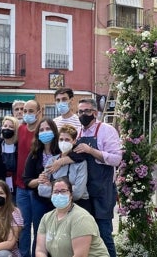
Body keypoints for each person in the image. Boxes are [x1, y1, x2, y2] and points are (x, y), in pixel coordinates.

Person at [49, 99, 122, 257]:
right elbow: (76, 157)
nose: (83, 114)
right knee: (84, 236)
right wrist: (60, 161)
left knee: (104, 234)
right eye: (80, 111)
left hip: (103, 191)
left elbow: (117, 159)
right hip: (84, 193)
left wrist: (91, 151)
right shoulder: (78, 133)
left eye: (87, 111)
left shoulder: (107, 130)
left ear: (95, 113)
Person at [35, 177, 109, 257]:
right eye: (55, 192)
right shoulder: (46, 218)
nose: (59, 194)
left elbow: (80, 255)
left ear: (71, 195)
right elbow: (40, 250)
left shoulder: (81, 218)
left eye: (63, 191)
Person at [22, 118, 60, 257]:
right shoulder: (34, 154)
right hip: (39, 200)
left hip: (60, 198)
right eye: (42, 130)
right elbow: (26, 180)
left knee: (59, 235)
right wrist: (38, 180)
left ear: (55, 131)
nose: (45, 132)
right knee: (40, 234)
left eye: (48, 129)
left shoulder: (62, 151)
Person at [38, 124, 89, 211]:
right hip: (55, 207)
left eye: (67, 140)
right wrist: (69, 188)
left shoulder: (80, 163)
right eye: (61, 139)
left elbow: (78, 193)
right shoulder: (51, 161)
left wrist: (52, 186)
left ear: (74, 141)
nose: (63, 142)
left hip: (79, 206)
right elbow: (42, 190)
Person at [14, 99, 41, 257]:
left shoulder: (42, 132)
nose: (27, 114)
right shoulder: (21, 129)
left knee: (38, 227)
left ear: (39, 112)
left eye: (31, 111)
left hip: (37, 186)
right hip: (21, 187)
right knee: (23, 226)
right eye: (25, 111)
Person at [0, 116, 19, 195]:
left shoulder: (19, 146)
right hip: (0, 183)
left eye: (11, 127)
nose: (7, 128)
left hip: (16, 184)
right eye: (5, 126)